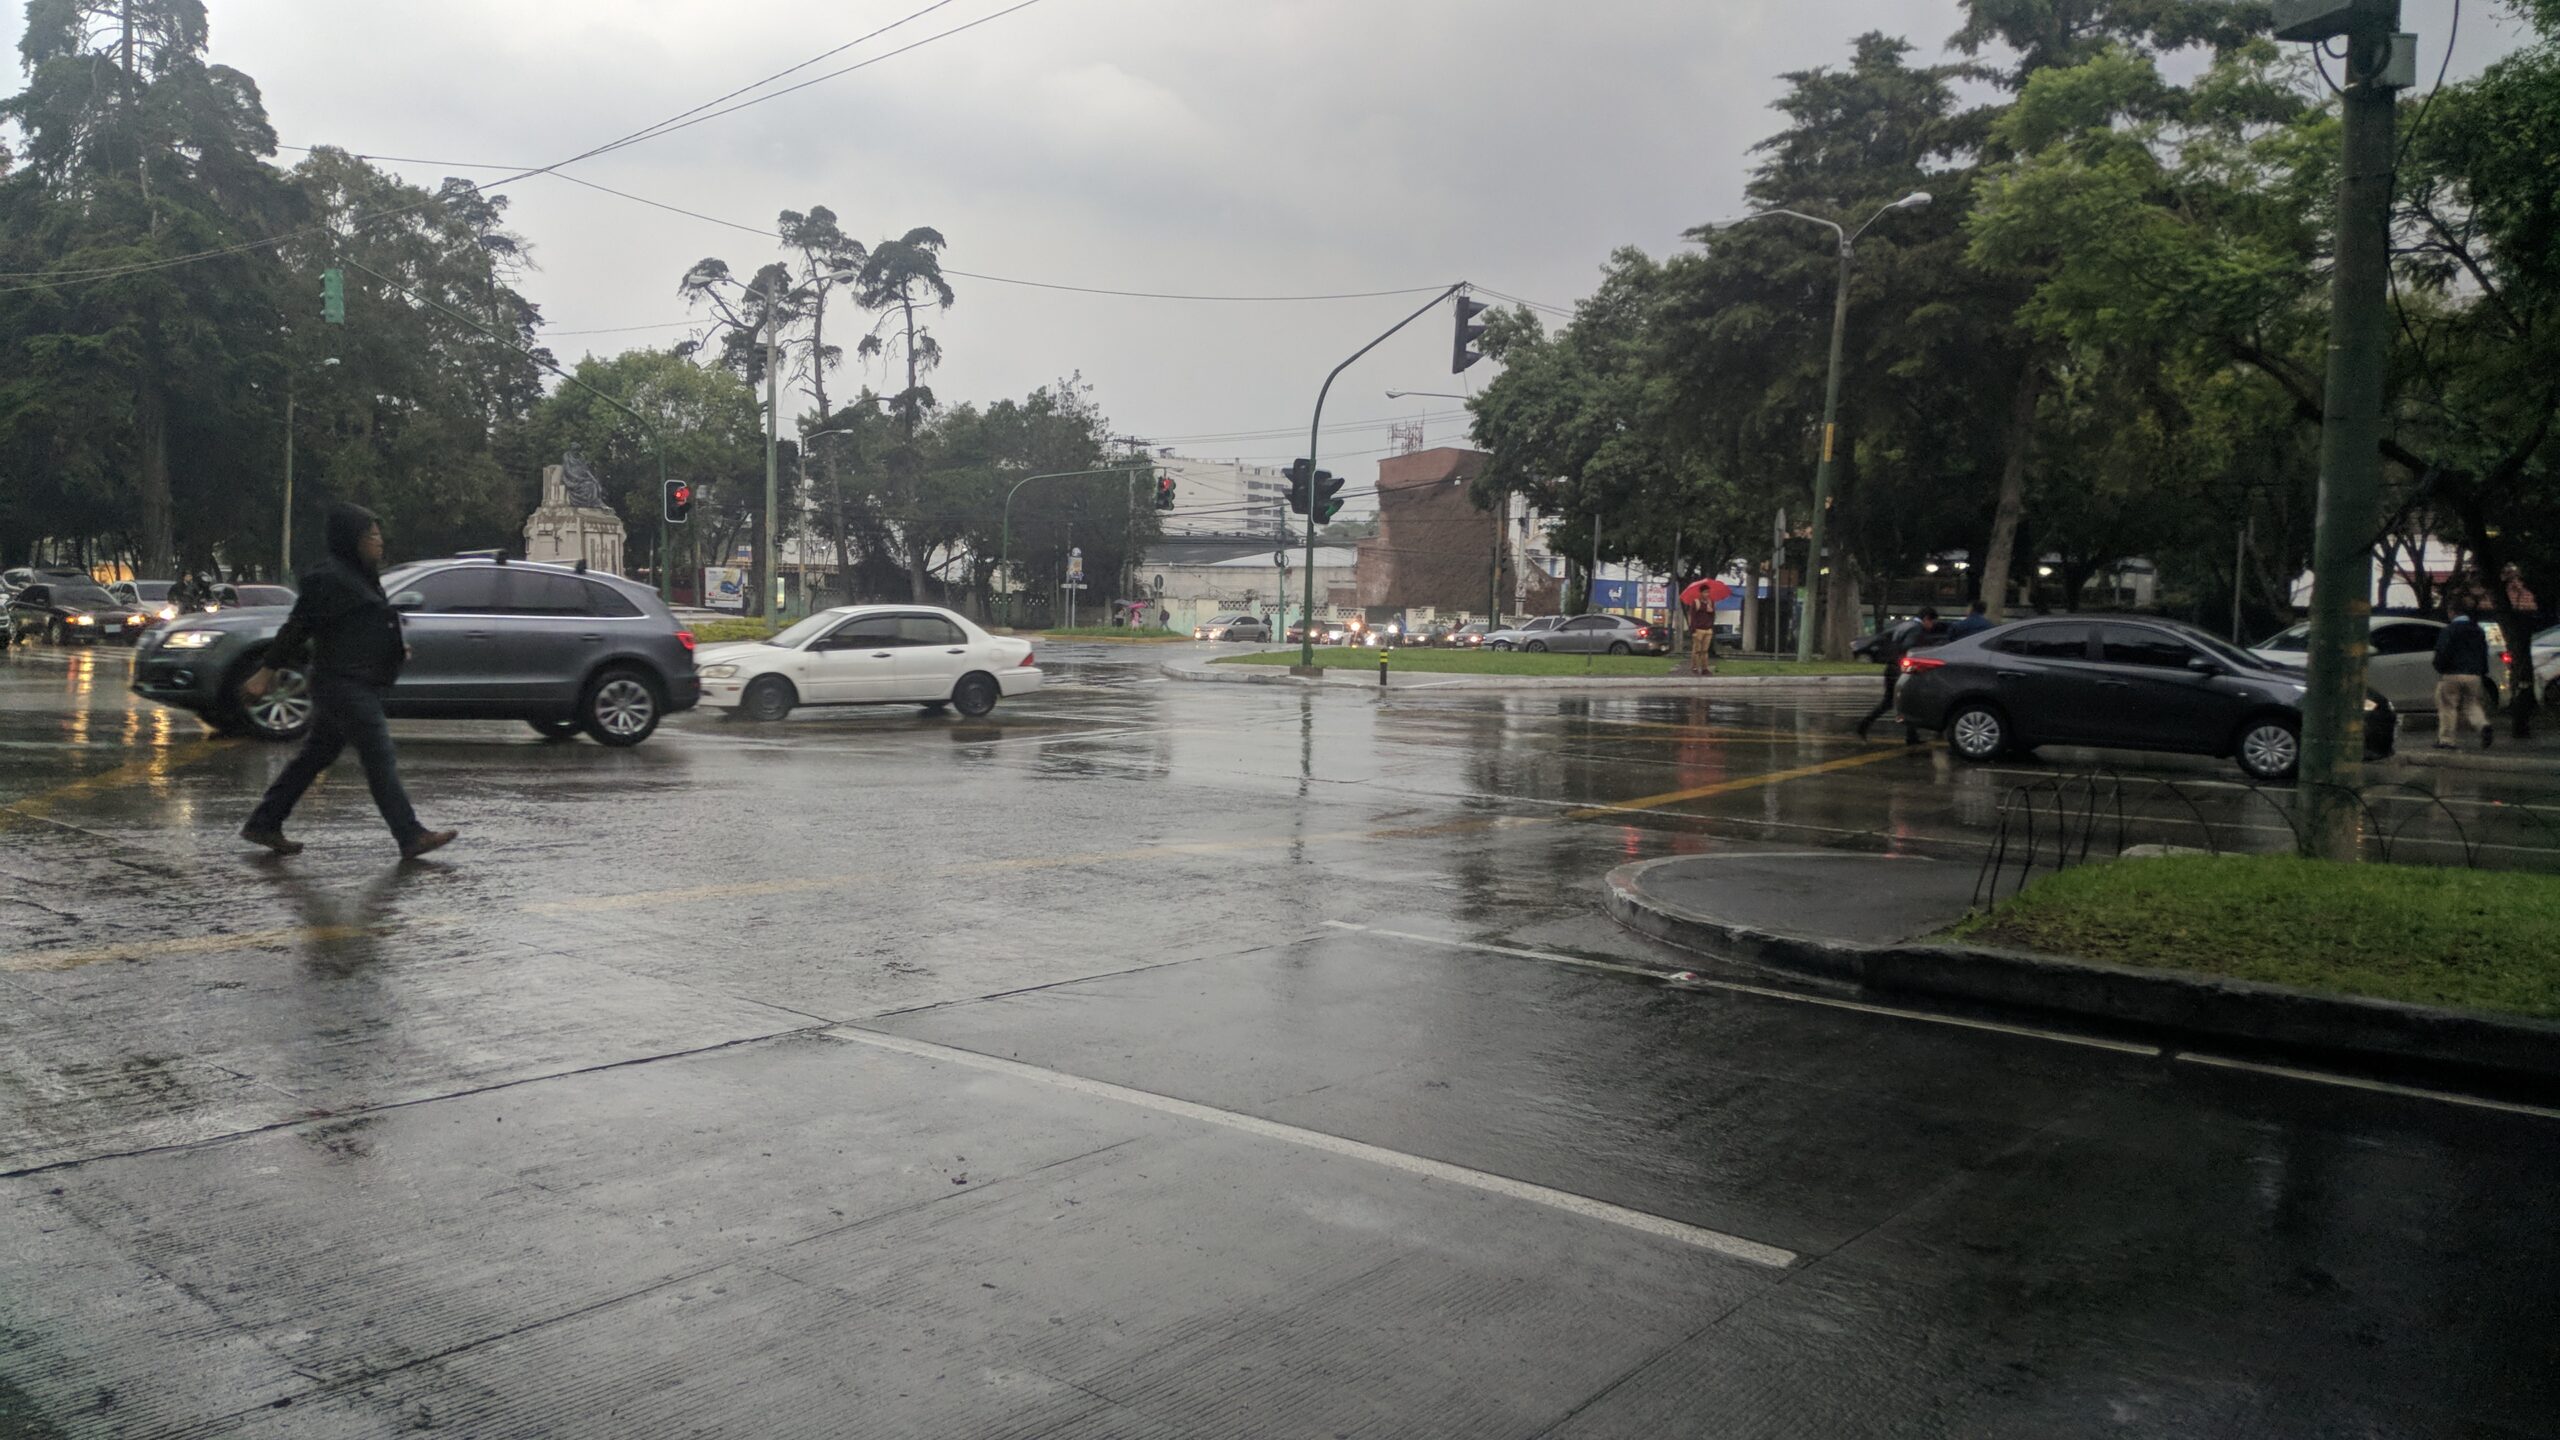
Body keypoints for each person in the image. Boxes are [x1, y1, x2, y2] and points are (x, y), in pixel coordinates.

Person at [238, 504, 457, 860]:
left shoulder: (360, 576)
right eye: (371, 535)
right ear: (351, 540)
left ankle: (264, 822)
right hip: (342, 685)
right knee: (379, 755)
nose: (379, 542)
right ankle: (410, 835)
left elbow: (360, 626)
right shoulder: (329, 579)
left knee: (315, 756)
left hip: (354, 681)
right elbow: (297, 628)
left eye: (378, 534)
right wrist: (265, 673)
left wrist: (393, 648)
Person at [1853, 606, 1947, 742]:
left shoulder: (1905, 625)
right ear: (1927, 619)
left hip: (1891, 667)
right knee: (1909, 701)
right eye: (1932, 622)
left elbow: (1883, 637)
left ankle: (1864, 726)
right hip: (1902, 670)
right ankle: (1911, 737)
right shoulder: (1917, 629)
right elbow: (1909, 647)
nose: (1931, 626)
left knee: (1891, 702)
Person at [2432, 600, 2495, 751]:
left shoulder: (2449, 630)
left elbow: (2443, 652)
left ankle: (2447, 740)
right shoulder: (2478, 631)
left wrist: (2440, 668)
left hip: (2452, 673)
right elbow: (2483, 653)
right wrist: (2482, 671)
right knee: (2472, 704)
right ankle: (2483, 725)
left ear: (2452, 612)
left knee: (2448, 706)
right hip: (2474, 674)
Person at [1684, 585, 1717, 676]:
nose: (1707, 594)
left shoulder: (1711, 602)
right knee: (1697, 650)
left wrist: (1711, 611)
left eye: (1708, 592)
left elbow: (1713, 616)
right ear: (1701, 593)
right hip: (1698, 629)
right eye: (1705, 592)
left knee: (1705, 650)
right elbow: (1692, 617)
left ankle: (1705, 668)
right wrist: (1693, 630)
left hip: (1708, 629)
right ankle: (1694, 667)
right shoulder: (1696, 602)